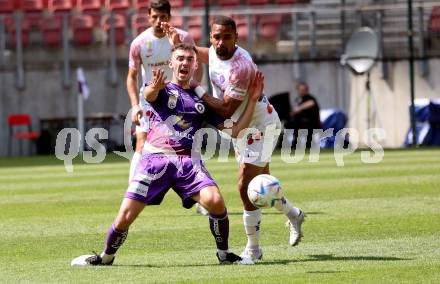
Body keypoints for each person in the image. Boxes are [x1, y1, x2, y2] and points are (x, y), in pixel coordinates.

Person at [71, 43, 264, 266]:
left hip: (187, 162)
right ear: (171, 63)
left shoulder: (203, 100)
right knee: (125, 216)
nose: (184, 63)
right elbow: (149, 94)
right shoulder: (161, 88)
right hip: (154, 161)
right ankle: (106, 257)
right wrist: (154, 86)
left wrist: (252, 99)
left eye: (189, 59)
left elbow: (237, 130)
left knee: (216, 202)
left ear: (195, 66)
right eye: (180, 58)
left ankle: (224, 254)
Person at [162, 16, 305, 262]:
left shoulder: (241, 67)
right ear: (211, 36)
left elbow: (226, 109)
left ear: (236, 38)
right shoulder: (218, 51)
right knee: (263, 184)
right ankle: (293, 214)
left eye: (226, 37)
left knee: (245, 186)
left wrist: (196, 87)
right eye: (216, 37)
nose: (220, 42)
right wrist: (179, 42)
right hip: (242, 128)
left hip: (259, 126)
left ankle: (254, 248)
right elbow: (200, 54)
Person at [126, 0, 201, 183]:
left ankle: (199, 190)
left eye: (163, 17)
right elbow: (131, 77)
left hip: (178, 97)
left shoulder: (183, 38)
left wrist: (194, 87)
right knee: (141, 143)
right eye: (155, 17)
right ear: (148, 17)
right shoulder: (139, 43)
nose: (159, 21)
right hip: (151, 98)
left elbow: (197, 64)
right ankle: (133, 190)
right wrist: (135, 106)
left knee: (188, 144)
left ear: (170, 17)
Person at [285, 82, 321, 148]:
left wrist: (298, 109)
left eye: (304, 90)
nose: (302, 92)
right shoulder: (299, 100)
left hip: (311, 124)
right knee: (289, 124)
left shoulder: (310, 98)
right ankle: (295, 142)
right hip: (302, 124)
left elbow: (311, 103)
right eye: (300, 90)